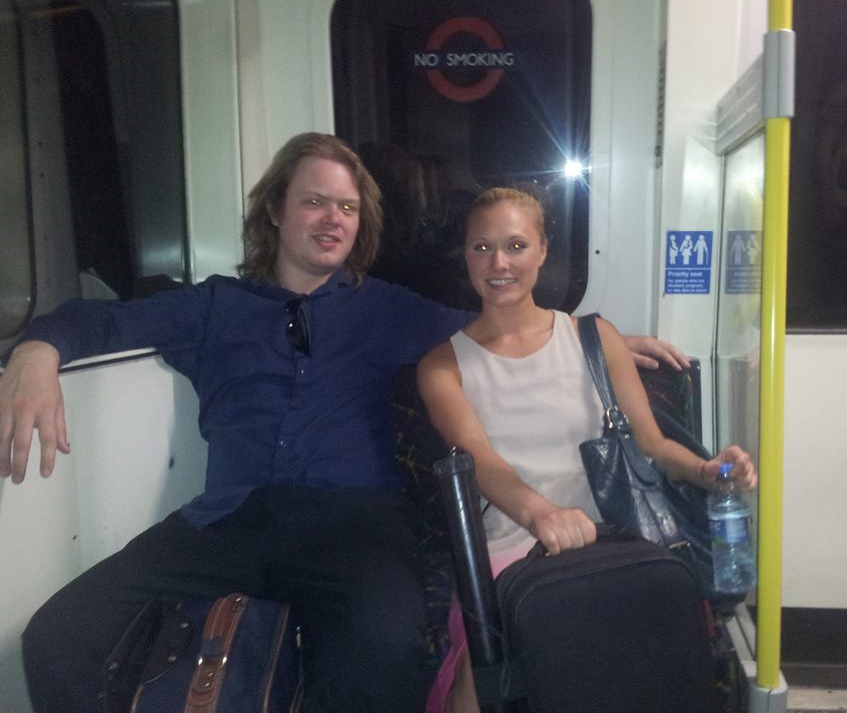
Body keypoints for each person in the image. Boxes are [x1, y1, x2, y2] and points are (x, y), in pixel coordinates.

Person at [0, 134, 688, 712]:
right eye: (315, 201)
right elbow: (104, 321)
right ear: (276, 210)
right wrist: (37, 349)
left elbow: (497, 325)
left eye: (348, 208)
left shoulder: (385, 308)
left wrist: (603, 342)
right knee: (58, 638)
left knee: (385, 655)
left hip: (354, 523)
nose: (333, 218)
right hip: (230, 520)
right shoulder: (213, 307)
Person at [416, 187, 757, 713]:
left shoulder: (595, 338)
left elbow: (651, 444)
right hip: (512, 545)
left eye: (516, 245)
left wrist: (707, 470)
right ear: (465, 255)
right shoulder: (443, 365)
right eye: (482, 248)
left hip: (616, 533)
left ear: (542, 250)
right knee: (484, 669)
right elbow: (479, 458)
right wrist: (542, 514)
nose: (499, 263)